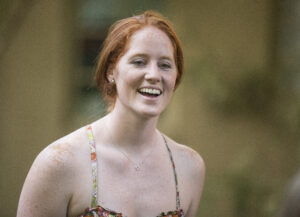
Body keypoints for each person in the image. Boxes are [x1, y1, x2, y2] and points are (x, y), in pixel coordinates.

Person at [17, 10, 205, 217]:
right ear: (111, 71)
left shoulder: (188, 167)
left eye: (165, 65)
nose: (154, 75)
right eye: (139, 62)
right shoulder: (60, 163)